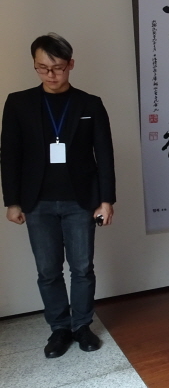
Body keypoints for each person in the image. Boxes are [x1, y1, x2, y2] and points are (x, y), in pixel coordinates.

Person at [1, 33, 115, 358]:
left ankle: (82, 326)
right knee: (48, 271)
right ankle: (59, 328)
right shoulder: (18, 103)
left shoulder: (90, 104)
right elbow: (9, 155)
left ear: (71, 64)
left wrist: (106, 200)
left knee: (82, 268)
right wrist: (12, 201)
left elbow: (104, 154)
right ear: (35, 66)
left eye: (58, 67)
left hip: (81, 201)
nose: (51, 75)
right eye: (42, 68)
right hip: (37, 201)